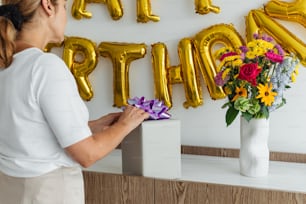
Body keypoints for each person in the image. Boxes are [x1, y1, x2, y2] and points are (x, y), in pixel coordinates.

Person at [0, 0, 149, 203]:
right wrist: (125, 124)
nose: (66, 16)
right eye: (63, 6)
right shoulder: (44, 66)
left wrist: (91, 127)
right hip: (48, 193)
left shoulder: (6, 64)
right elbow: (87, 155)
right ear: (48, 6)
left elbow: (27, 132)